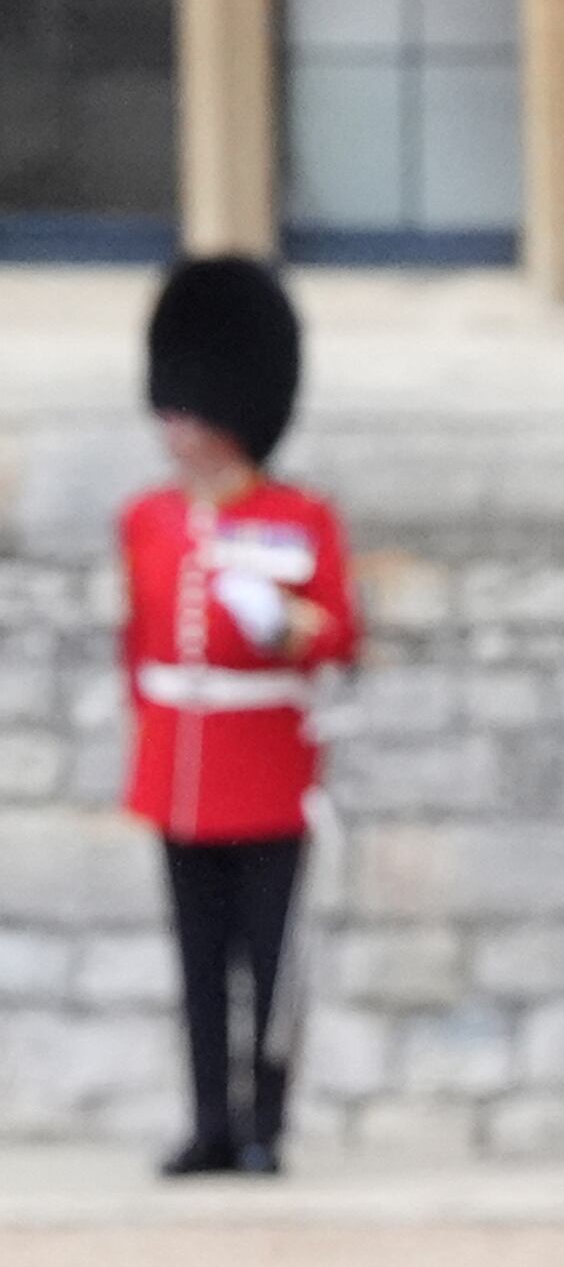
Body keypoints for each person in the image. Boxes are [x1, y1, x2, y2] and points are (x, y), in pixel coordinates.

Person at [119, 257, 357, 1179]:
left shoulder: (299, 519)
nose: (172, 426)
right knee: (199, 963)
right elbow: (139, 648)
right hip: (181, 767)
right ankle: (210, 1120)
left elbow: (337, 634)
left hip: (266, 770)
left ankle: (267, 1123)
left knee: (271, 962)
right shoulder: (148, 520)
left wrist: (284, 624)